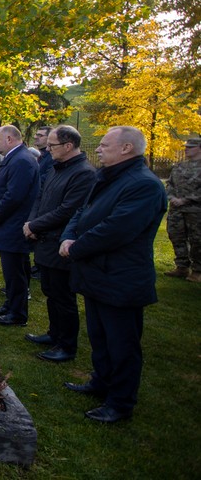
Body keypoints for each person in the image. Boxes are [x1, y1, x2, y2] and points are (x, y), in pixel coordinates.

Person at [59, 126, 167, 423]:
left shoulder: (143, 185)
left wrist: (77, 246)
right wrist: (68, 237)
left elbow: (116, 230)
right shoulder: (107, 178)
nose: (99, 149)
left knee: (122, 343)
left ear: (126, 149)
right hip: (97, 274)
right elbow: (82, 212)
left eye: (105, 145)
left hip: (122, 276)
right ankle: (101, 381)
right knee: (100, 335)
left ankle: (120, 401)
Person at [22, 125, 96, 362]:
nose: (48, 148)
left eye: (52, 145)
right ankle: (54, 334)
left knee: (63, 296)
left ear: (68, 146)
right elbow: (41, 197)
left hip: (60, 242)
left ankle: (66, 344)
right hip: (44, 238)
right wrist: (32, 222)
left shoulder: (83, 173)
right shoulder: (56, 167)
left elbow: (69, 210)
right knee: (50, 291)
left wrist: (36, 225)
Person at [0, 125, 40, 326]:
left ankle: (17, 313)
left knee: (15, 272)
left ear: (9, 139)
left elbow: (14, 196)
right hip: (9, 223)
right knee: (12, 271)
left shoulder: (22, 160)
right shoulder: (15, 158)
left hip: (14, 225)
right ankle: (11, 304)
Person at [164, 137, 201, 282]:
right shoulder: (179, 166)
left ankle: (198, 271)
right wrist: (172, 197)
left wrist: (186, 199)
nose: (186, 149)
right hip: (176, 210)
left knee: (197, 239)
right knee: (176, 236)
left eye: (190, 147)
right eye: (186, 147)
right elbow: (170, 184)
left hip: (196, 210)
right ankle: (181, 266)